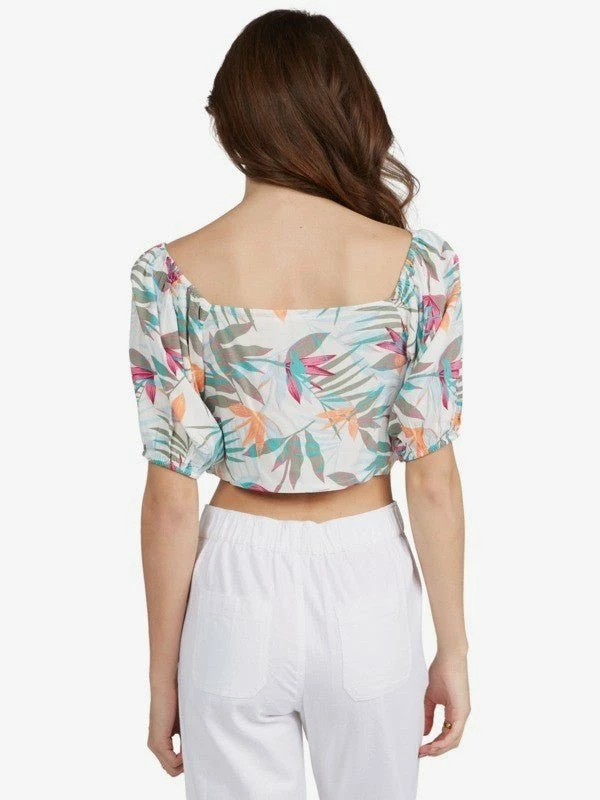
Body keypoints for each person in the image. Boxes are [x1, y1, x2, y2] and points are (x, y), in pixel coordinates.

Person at [128, 10, 470, 800]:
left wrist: (161, 677)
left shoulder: (166, 275)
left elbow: (170, 500)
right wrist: (453, 648)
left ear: (230, 120)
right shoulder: (423, 267)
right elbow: (434, 481)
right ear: (349, 111)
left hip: (234, 581)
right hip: (368, 573)